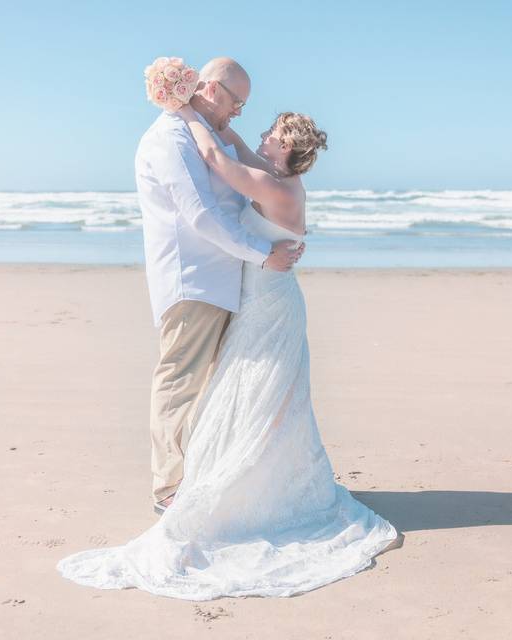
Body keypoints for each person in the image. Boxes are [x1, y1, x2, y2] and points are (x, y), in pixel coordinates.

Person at [56, 61, 401, 600]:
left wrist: (193, 109)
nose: (252, 124)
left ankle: (241, 482)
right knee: (228, 390)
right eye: (238, 102)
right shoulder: (238, 158)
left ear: (287, 152)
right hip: (226, 289)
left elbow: (220, 156)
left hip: (262, 299)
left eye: (272, 133)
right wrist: (195, 110)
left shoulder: (270, 179)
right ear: (213, 89)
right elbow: (221, 166)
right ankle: (186, 484)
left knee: (255, 394)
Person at [132, 57, 303, 515]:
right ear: (209, 90)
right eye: (236, 101)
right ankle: (167, 487)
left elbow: (235, 183)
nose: (240, 113)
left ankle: (211, 477)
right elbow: (201, 215)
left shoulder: (203, 133)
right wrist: (263, 253)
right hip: (195, 282)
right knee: (179, 383)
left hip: (226, 284)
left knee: (218, 390)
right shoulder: (171, 138)